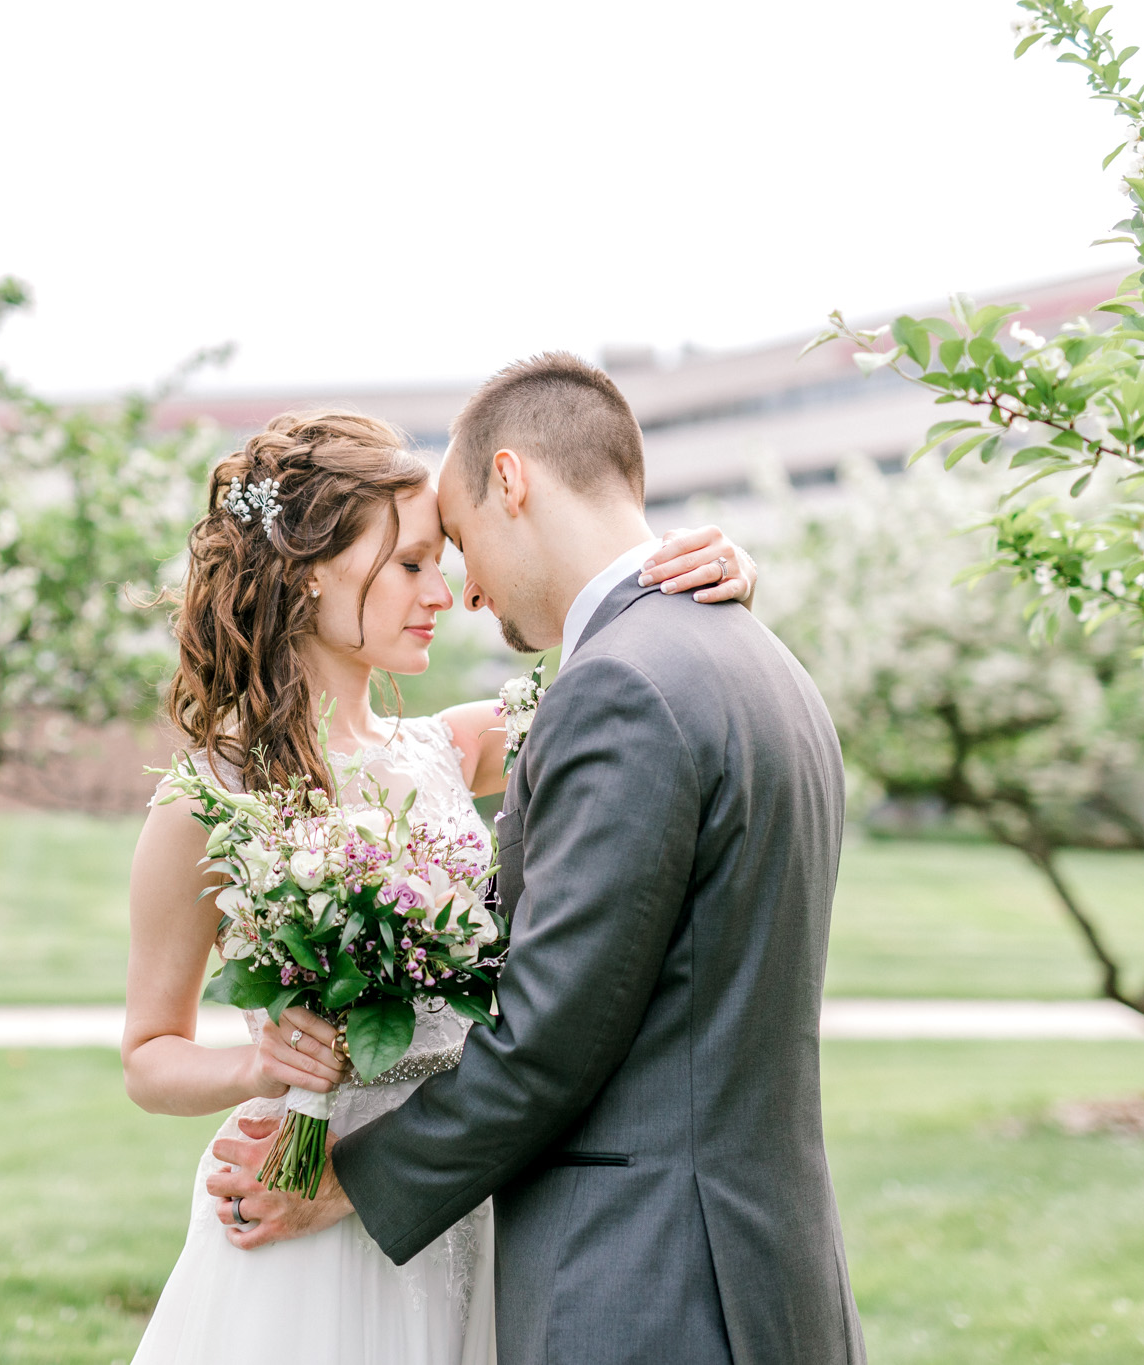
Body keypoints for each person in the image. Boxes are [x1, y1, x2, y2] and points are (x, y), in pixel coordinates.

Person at [205, 357, 867, 1364]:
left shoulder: (622, 689)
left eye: (457, 546)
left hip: (647, 1276)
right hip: (757, 1264)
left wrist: (343, 1179)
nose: (462, 595)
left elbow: (551, 1034)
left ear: (510, 482)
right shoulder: (749, 656)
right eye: (418, 564)